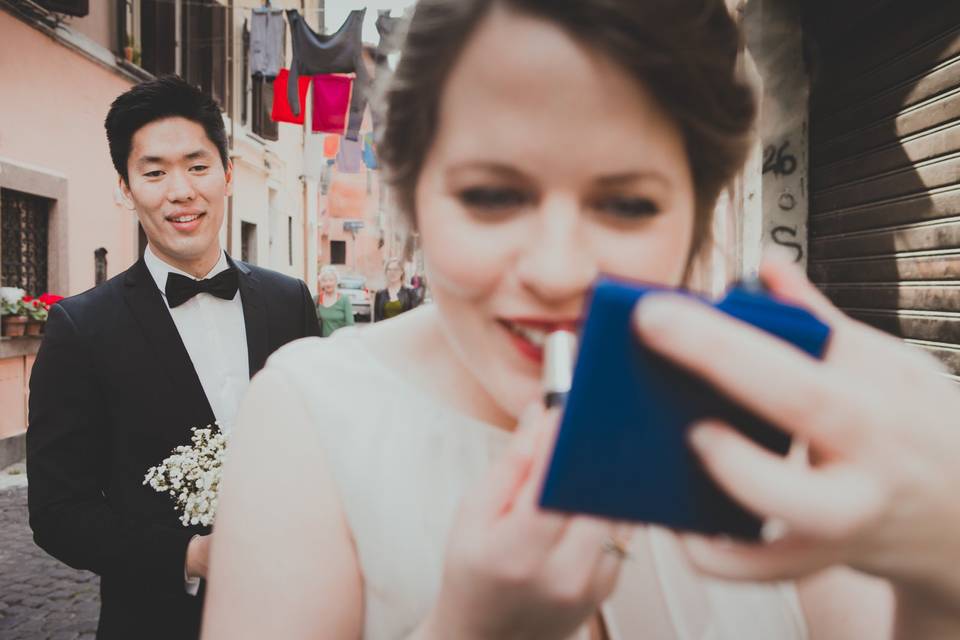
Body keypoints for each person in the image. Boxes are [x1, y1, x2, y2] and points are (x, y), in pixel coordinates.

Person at [202, 1, 960, 638]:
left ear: (700, 208)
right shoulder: (311, 415)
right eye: (493, 196)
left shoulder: (777, 411)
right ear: (413, 191)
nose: (560, 271)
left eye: (626, 204)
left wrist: (940, 577)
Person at [26, 75, 321, 640]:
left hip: (298, 611)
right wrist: (191, 555)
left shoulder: (289, 302)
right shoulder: (80, 328)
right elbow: (59, 513)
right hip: (155, 620)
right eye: (154, 172)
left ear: (228, 173)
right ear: (125, 186)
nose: (180, 191)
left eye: (198, 166)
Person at [373, 257, 421, 321]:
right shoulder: (380, 293)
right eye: (389, 269)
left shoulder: (410, 292)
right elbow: (377, 319)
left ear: (402, 272)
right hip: (385, 330)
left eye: (395, 269)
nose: (392, 272)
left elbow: (415, 318)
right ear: (386, 272)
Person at [316, 265, 355, 337]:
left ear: (336, 281)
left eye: (331, 280)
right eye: (324, 280)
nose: (328, 283)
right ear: (321, 282)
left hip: (340, 343)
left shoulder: (344, 299)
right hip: (322, 344)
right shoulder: (316, 299)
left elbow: (350, 325)